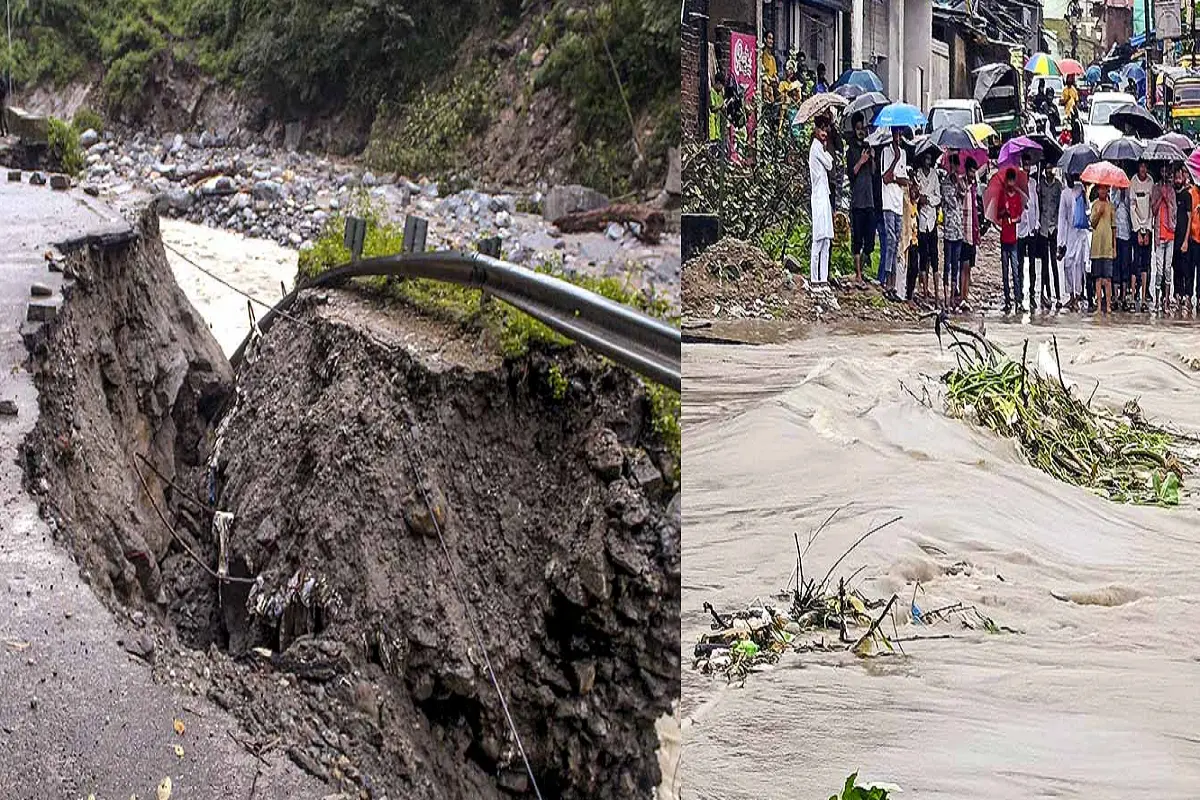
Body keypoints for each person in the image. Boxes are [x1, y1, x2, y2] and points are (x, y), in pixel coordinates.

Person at [847, 114, 877, 285]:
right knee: (857, 239)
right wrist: (861, 160)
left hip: (869, 200)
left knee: (870, 240)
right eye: (858, 129)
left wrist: (871, 157)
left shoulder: (868, 147)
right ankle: (857, 274)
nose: (861, 132)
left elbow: (873, 172)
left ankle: (864, 268)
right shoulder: (851, 150)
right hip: (858, 201)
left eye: (863, 128)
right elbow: (851, 173)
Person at [880, 128, 908, 295]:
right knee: (890, 240)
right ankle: (887, 280)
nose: (898, 137)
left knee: (896, 242)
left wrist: (896, 178)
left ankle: (893, 284)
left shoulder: (904, 153)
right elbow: (885, 177)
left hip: (898, 204)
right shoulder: (886, 151)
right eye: (896, 134)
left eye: (900, 134)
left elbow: (904, 180)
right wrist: (895, 160)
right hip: (888, 203)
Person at [1058, 175, 1091, 312]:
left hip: (1081, 233)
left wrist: (1085, 196)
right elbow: (1062, 217)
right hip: (1070, 233)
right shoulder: (1065, 193)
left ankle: (1078, 296)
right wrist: (1061, 241)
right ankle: (1071, 295)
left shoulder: (1081, 189)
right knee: (1067, 264)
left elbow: (1088, 210)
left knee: (1078, 265)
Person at [808, 116, 835, 285]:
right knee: (818, 239)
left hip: (825, 195)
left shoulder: (821, 147)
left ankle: (823, 278)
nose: (824, 133)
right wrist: (827, 152)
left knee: (826, 240)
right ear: (816, 130)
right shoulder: (816, 148)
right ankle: (814, 278)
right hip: (818, 196)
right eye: (821, 129)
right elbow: (830, 164)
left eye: (826, 129)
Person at [914, 149, 941, 304]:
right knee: (923, 256)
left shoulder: (934, 175)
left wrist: (928, 199)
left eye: (930, 158)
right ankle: (924, 292)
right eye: (926, 158)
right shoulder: (917, 174)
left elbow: (938, 197)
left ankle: (936, 293)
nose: (928, 160)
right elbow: (915, 193)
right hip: (921, 219)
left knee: (934, 256)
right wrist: (920, 199)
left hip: (932, 218)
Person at [998, 168, 1025, 313]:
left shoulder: (1017, 198)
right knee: (1005, 271)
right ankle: (1007, 300)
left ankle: (1018, 300)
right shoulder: (1002, 196)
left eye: (1013, 181)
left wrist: (1013, 218)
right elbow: (998, 213)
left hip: (1014, 239)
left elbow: (1019, 217)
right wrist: (1004, 212)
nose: (1011, 183)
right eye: (1009, 180)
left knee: (1015, 270)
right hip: (1004, 238)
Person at [1151, 165, 1177, 313]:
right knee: (1159, 269)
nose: (1165, 173)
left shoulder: (1172, 191)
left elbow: (1174, 211)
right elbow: (1153, 210)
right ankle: (1156, 302)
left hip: (1170, 234)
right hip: (1159, 235)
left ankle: (1166, 302)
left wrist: (1167, 199)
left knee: (1168, 269)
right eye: (1162, 170)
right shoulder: (1155, 188)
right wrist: (1160, 196)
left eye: (1167, 171)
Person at [940, 153, 965, 308]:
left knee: (956, 264)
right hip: (949, 229)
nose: (955, 169)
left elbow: (965, 194)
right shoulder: (945, 183)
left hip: (959, 229)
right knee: (947, 264)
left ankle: (952, 295)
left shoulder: (959, 182)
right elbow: (953, 203)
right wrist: (957, 188)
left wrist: (960, 185)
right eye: (953, 166)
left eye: (957, 166)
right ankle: (945, 297)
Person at [1037, 166, 1063, 310]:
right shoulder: (1040, 184)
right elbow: (1039, 205)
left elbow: (1060, 208)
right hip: (1043, 228)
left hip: (1053, 228)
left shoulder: (1058, 186)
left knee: (1054, 264)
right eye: (1046, 168)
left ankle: (1058, 296)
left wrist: (1057, 226)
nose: (1048, 171)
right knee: (1044, 265)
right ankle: (1045, 295)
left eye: (1051, 169)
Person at [1130, 160, 1154, 312]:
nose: (1143, 169)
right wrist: (1138, 230)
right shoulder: (1133, 181)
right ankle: (1133, 297)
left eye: (1145, 167)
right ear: (1138, 168)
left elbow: (1152, 207)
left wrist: (1147, 229)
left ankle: (1144, 297)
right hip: (1136, 228)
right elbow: (1132, 208)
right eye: (1141, 166)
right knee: (1135, 264)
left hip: (1148, 228)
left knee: (1145, 264)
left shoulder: (1151, 181)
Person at [1017, 160, 1040, 311]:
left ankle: (1031, 295)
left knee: (1032, 264)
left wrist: (1036, 223)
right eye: (1024, 164)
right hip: (1020, 230)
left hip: (1032, 229)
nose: (1026, 167)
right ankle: (1019, 295)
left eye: (1028, 165)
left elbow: (1036, 205)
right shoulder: (1017, 182)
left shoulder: (1033, 183)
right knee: (1019, 264)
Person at [1090, 184, 1116, 315]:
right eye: (1100, 189)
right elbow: (1092, 223)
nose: (1103, 191)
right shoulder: (1094, 205)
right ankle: (1099, 306)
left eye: (1105, 189)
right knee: (1098, 279)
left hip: (1107, 247)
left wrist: (1114, 247)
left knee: (1108, 279)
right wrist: (1098, 213)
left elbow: (1113, 227)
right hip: (1096, 247)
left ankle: (1109, 305)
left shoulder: (1111, 206)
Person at [959, 158, 982, 311]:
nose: (973, 174)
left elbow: (976, 209)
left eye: (975, 171)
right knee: (963, 265)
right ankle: (961, 296)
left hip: (971, 230)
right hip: (961, 229)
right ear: (967, 170)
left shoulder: (974, 187)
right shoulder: (961, 183)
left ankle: (965, 296)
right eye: (972, 171)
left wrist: (977, 230)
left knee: (968, 267)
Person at [1174, 167, 1194, 312]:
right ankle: (1178, 296)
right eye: (1176, 177)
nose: (1177, 180)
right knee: (1176, 269)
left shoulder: (1187, 195)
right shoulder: (1172, 194)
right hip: (1172, 239)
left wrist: (1186, 240)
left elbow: (1189, 218)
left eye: (1179, 177)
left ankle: (1188, 296)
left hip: (1185, 238)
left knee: (1186, 269)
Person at [1112, 183, 1132, 310]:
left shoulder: (1129, 189)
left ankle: (1124, 296)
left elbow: (1131, 208)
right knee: (1115, 265)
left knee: (1125, 265)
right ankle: (1115, 296)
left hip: (1126, 234)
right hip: (1116, 232)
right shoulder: (1113, 189)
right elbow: (1113, 205)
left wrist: (1126, 196)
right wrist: (1119, 194)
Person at [902, 180, 920, 301]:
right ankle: (906, 295)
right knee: (908, 269)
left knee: (914, 269)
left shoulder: (915, 205)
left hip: (915, 240)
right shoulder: (907, 203)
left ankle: (911, 295)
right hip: (908, 240)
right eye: (912, 190)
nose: (913, 192)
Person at [708, 70, 725, 146]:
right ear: (718, 83)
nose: (722, 88)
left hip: (719, 123)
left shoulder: (720, 93)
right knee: (713, 144)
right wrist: (721, 106)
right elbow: (712, 108)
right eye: (721, 85)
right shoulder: (712, 92)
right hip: (713, 122)